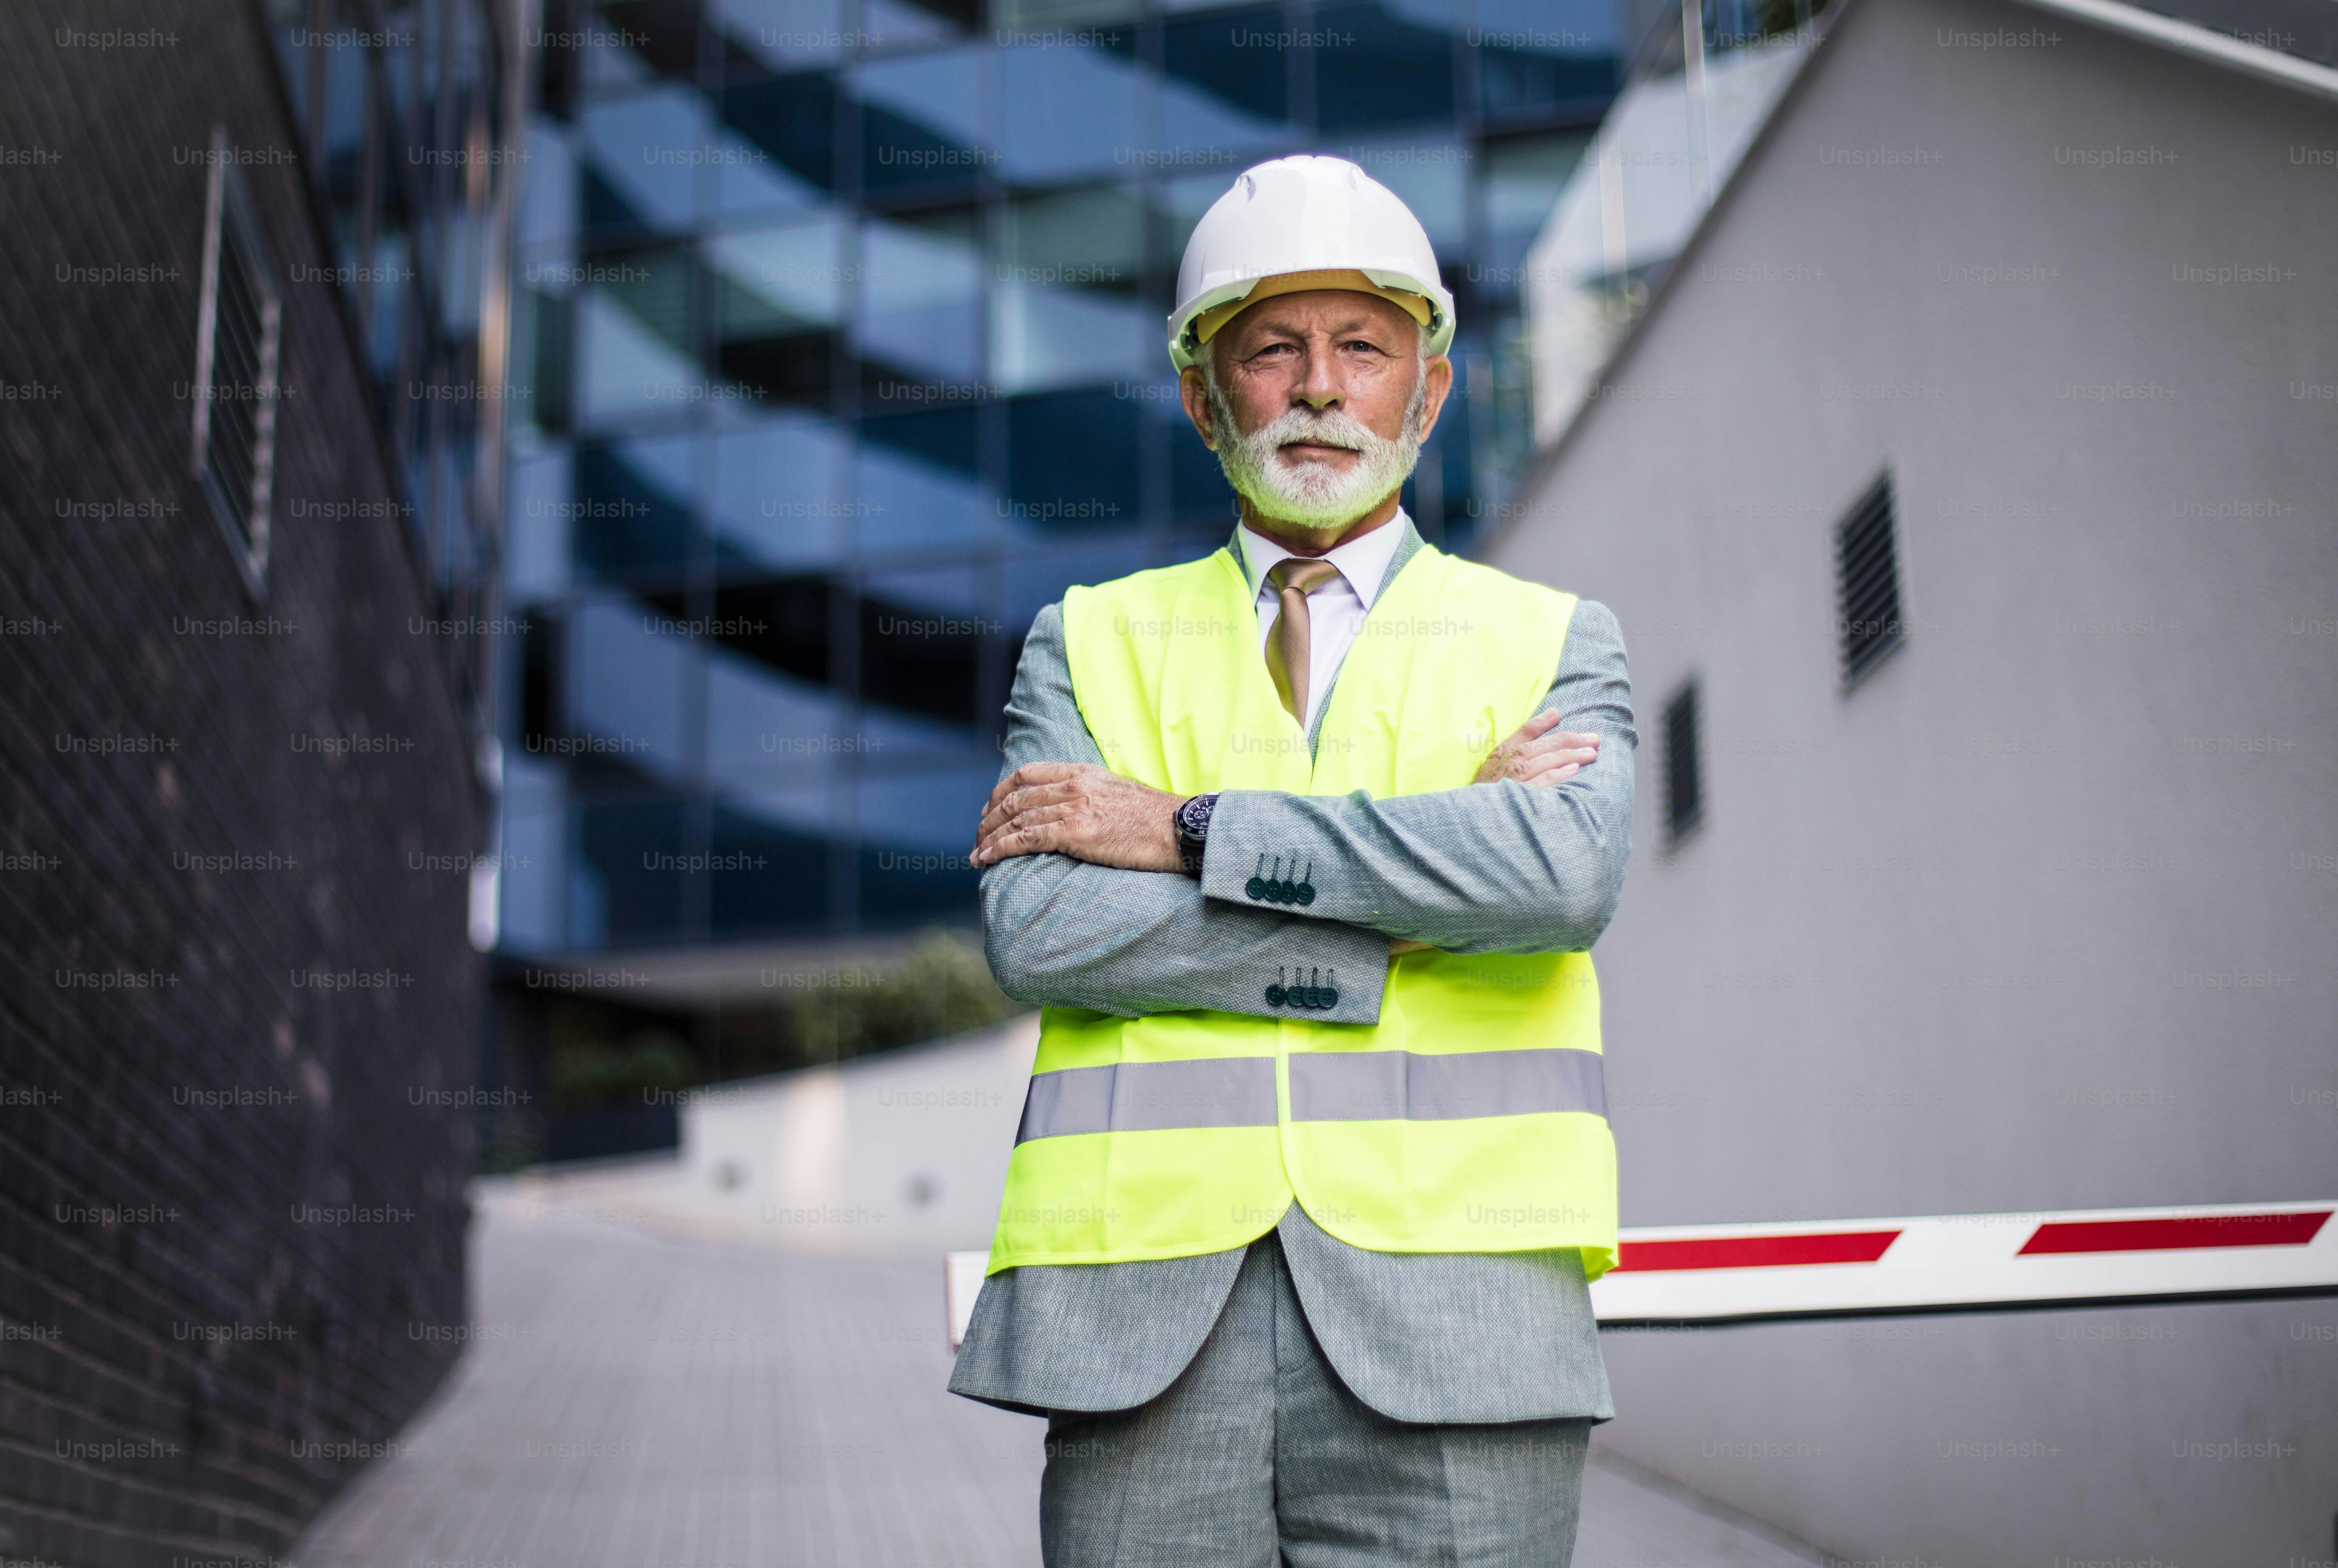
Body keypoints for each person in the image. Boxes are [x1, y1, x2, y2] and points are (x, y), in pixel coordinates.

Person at [951, 154, 1636, 1568]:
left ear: (1428, 396)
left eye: (1363, 349)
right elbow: (1046, 928)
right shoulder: (1086, 638)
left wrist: (1184, 827)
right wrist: (1418, 905)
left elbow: (1559, 881)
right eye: (1272, 350)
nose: (1319, 387)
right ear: (1206, 401)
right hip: (1142, 1325)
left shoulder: (1553, 637)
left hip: (1463, 1318)